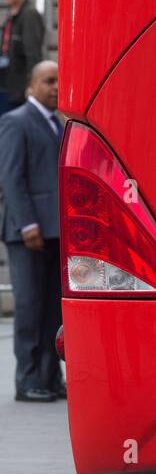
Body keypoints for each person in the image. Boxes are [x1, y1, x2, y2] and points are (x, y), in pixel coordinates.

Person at [0, 61, 64, 401]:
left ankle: (50, 377)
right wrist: (28, 224)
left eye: (59, 81)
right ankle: (26, 381)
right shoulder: (15, 121)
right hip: (28, 232)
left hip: (56, 232)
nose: (55, 87)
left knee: (53, 309)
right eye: (48, 81)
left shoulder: (59, 125)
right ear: (31, 85)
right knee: (28, 306)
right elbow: (11, 178)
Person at [0, 0, 45, 111]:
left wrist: (32, 85)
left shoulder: (29, 15)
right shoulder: (10, 14)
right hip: (6, 86)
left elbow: (33, 55)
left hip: (19, 92)